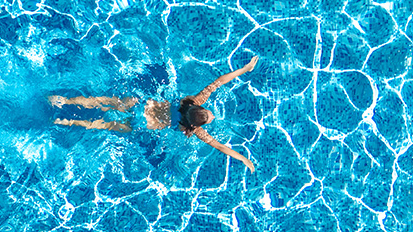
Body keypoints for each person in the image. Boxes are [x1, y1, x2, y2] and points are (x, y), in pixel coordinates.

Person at [49, 56, 258, 173]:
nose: (212, 116)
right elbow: (221, 147)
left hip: (140, 106)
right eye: (209, 116)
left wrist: (244, 68)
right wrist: (244, 159)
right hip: (141, 123)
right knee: (102, 125)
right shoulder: (194, 131)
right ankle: (67, 121)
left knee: (100, 101)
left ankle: (64, 100)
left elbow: (219, 81)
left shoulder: (192, 101)